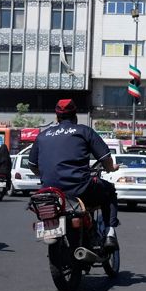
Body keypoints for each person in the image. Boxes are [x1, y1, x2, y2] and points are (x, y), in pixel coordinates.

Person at [27, 99, 119, 248]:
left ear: (56, 117)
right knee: (109, 191)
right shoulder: (84, 131)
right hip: (80, 190)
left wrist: (46, 175)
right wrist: (111, 168)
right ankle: (110, 233)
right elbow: (105, 158)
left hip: (50, 193)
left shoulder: (43, 135)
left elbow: (32, 165)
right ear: (75, 116)